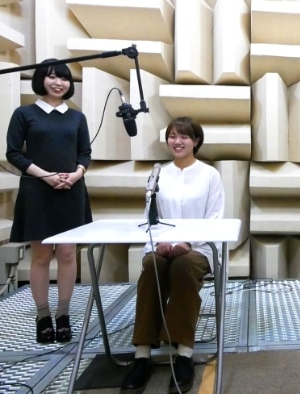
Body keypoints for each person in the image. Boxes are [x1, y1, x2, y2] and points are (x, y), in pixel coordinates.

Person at [121, 117, 225, 394]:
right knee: (151, 269)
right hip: (161, 246)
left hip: (199, 248)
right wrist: (158, 244)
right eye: (172, 136)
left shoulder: (210, 175)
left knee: (183, 268)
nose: (177, 142)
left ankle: (184, 354)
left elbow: (213, 218)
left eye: (184, 137)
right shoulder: (159, 174)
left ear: (196, 142)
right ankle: (142, 355)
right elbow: (150, 219)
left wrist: (187, 243)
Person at [5, 59, 92, 344]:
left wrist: (76, 175)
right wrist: (46, 176)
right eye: (52, 77)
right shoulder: (24, 113)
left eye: (64, 78)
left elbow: (85, 153)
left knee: (68, 254)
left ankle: (63, 314)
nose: (59, 83)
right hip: (38, 191)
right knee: (41, 256)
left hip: (71, 191)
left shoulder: (77, 117)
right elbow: (14, 154)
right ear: (41, 79)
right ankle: (43, 316)